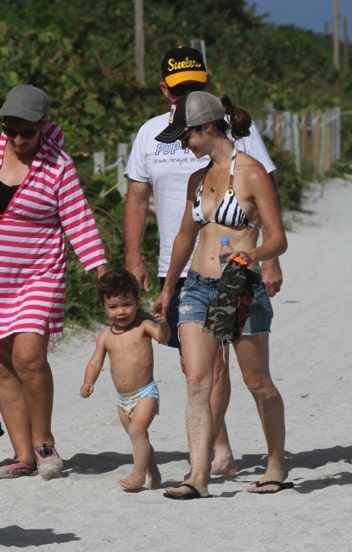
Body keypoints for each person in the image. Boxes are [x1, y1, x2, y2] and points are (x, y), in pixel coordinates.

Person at [123, 46, 284, 476]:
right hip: (189, 274)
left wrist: (265, 259)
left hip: (238, 276)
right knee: (196, 372)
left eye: (196, 85)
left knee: (247, 377)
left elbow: (272, 215)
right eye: (179, 88)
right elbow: (157, 213)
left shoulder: (241, 144)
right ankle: (206, 464)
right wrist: (157, 276)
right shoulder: (156, 139)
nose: (188, 93)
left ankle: (259, 458)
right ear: (164, 90)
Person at [0, 84, 108, 481]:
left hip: (39, 275)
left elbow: (79, 223)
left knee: (29, 358)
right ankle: (22, 455)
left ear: (43, 126)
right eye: (10, 129)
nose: (18, 139)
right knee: (1, 365)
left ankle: (44, 442)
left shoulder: (58, 166)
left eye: (27, 132)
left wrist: (102, 274)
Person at [153, 91, 289, 499]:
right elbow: (184, 236)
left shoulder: (252, 173)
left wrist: (257, 254)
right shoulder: (198, 178)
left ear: (207, 128)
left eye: (186, 136)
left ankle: (276, 462)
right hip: (197, 284)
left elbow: (279, 238)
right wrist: (167, 288)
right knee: (197, 379)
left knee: (257, 382)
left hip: (239, 285)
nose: (182, 144)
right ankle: (198, 476)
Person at [80, 269, 170, 491]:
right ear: (103, 306)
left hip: (145, 394)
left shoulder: (143, 327)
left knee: (138, 432)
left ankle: (137, 474)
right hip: (123, 400)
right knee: (139, 438)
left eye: (126, 304)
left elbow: (163, 337)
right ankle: (154, 473)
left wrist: (164, 324)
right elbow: (95, 362)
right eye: (113, 307)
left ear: (137, 302)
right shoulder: (105, 337)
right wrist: (88, 381)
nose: (121, 311)